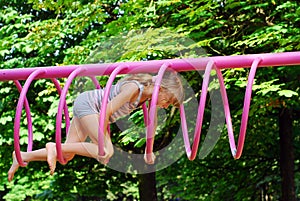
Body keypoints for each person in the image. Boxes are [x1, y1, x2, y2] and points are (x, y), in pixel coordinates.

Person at [8, 71, 184, 182]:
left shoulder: (148, 99)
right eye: (168, 100)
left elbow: (151, 126)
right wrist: (102, 143)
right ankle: (54, 146)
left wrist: (148, 151)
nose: (166, 105)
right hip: (90, 107)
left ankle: (23, 156)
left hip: (89, 107)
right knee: (106, 151)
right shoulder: (133, 88)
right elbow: (105, 112)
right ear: (160, 88)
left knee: (67, 155)